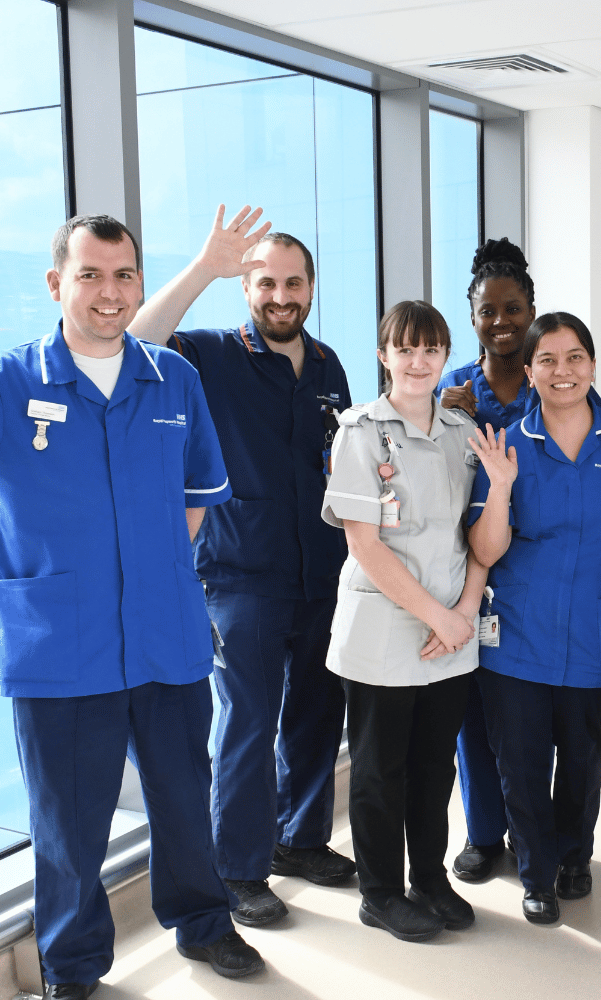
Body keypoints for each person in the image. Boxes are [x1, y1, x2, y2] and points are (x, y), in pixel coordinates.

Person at [0, 216, 265, 999]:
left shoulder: (174, 379)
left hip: (166, 641)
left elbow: (195, 500)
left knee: (182, 799)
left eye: (124, 275)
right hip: (60, 651)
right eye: (92, 275)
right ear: (56, 283)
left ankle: (204, 924)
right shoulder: (6, 380)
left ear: (139, 281)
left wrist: (158, 567)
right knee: (69, 829)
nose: (110, 292)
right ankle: (71, 968)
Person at [128, 205, 355, 928]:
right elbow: (137, 342)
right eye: (265, 282)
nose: (280, 296)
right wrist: (203, 267)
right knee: (250, 723)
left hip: (323, 571)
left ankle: (300, 839)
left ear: (311, 288)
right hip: (240, 573)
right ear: (246, 288)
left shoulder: (328, 366)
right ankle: (238, 869)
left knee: (319, 713)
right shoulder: (211, 354)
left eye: (293, 282)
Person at [321, 300, 489, 943]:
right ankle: (381, 892)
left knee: (433, 765)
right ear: (384, 355)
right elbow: (364, 545)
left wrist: (461, 614)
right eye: (406, 349)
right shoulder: (359, 432)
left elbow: (475, 534)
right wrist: (440, 619)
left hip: (450, 627)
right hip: (387, 630)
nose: (418, 362)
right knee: (378, 768)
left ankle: (429, 878)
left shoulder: (461, 434)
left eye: (432, 349)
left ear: (446, 357)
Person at [465, 312, 601, 925]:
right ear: (530, 371)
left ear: (592, 364)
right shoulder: (505, 443)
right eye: (547, 361)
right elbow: (485, 550)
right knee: (522, 758)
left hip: (593, 627)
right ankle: (536, 872)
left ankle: (574, 854)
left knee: (583, 755)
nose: (562, 372)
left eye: (574, 358)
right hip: (516, 628)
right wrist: (502, 487)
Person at [435, 237, 543, 882]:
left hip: (532, 572)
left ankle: (538, 829)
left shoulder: (549, 382)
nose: (501, 321)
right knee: (470, 715)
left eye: (513, 308)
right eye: (487, 310)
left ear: (531, 310)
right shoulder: (449, 389)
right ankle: (482, 834)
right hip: (463, 574)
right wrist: (439, 421)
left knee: (528, 716)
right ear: (470, 314)